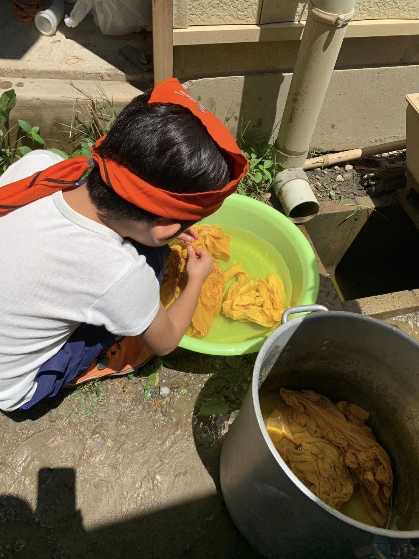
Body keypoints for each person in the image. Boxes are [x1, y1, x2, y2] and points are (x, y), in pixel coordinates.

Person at [0, 78, 248, 412]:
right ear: (165, 226)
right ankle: (94, 362)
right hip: (15, 385)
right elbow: (166, 342)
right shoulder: (119, 274)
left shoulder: (40, 167)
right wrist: (197, 278)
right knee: (151, 266)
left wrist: (166, 228)